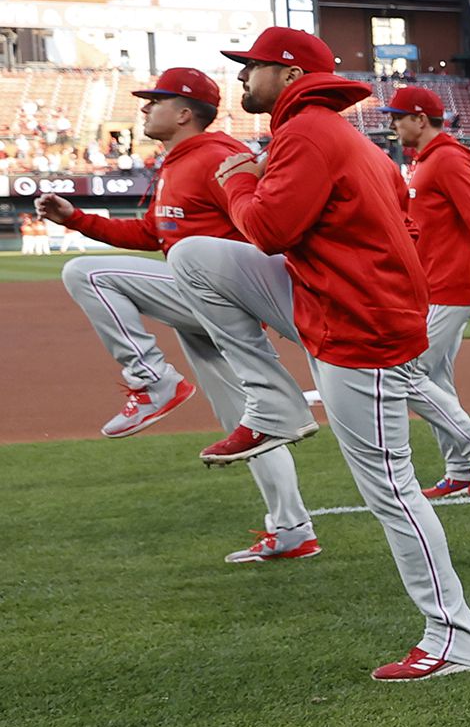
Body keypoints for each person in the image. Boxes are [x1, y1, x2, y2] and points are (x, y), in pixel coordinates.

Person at [172, 27, 470, 680]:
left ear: (288, 73)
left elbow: (267, 229)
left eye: (252, 66)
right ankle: (274, 403)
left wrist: (237, 182)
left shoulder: (308, 132)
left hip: (360, 325)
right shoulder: (337, 135)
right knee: (192, 255)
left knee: (392, 491)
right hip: (342, 302)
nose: (241, 78)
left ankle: (455, 636)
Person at [35, 68, 319, 564]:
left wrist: (248, 298)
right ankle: (292, 530)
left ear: (185, 112)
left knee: (87, 274)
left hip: (220, 296)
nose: (145, 108)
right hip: (202, 308)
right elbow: (150, 234)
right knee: (250, 421)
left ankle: (153, 380)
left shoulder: (215, 157)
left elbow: (262, 226)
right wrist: (74, 218)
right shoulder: (177, 162)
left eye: (155, 101)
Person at [383, 86, 470, 498]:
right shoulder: (427, 161)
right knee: (435, 378)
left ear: (419, 118)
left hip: (450, 288)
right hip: (433, 287)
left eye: (398, 116)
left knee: (405, 372)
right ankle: (460, 469)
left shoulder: (446, 159)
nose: (393, 124)